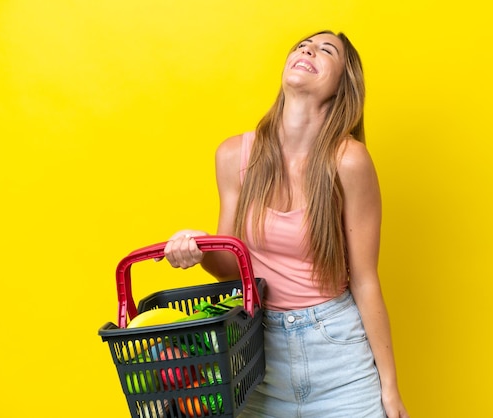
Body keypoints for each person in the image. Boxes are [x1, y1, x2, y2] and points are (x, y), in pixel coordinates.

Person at [162, 30, 409, 418]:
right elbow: (231, 269)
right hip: (257, 361)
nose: (308, 49)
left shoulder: (348, 162)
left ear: (342, 85)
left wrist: (390, 389)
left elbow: (364, 279)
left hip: (337, 356)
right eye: (302, 45)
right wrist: (198, 248)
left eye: (326, 50)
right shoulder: (234, 156)